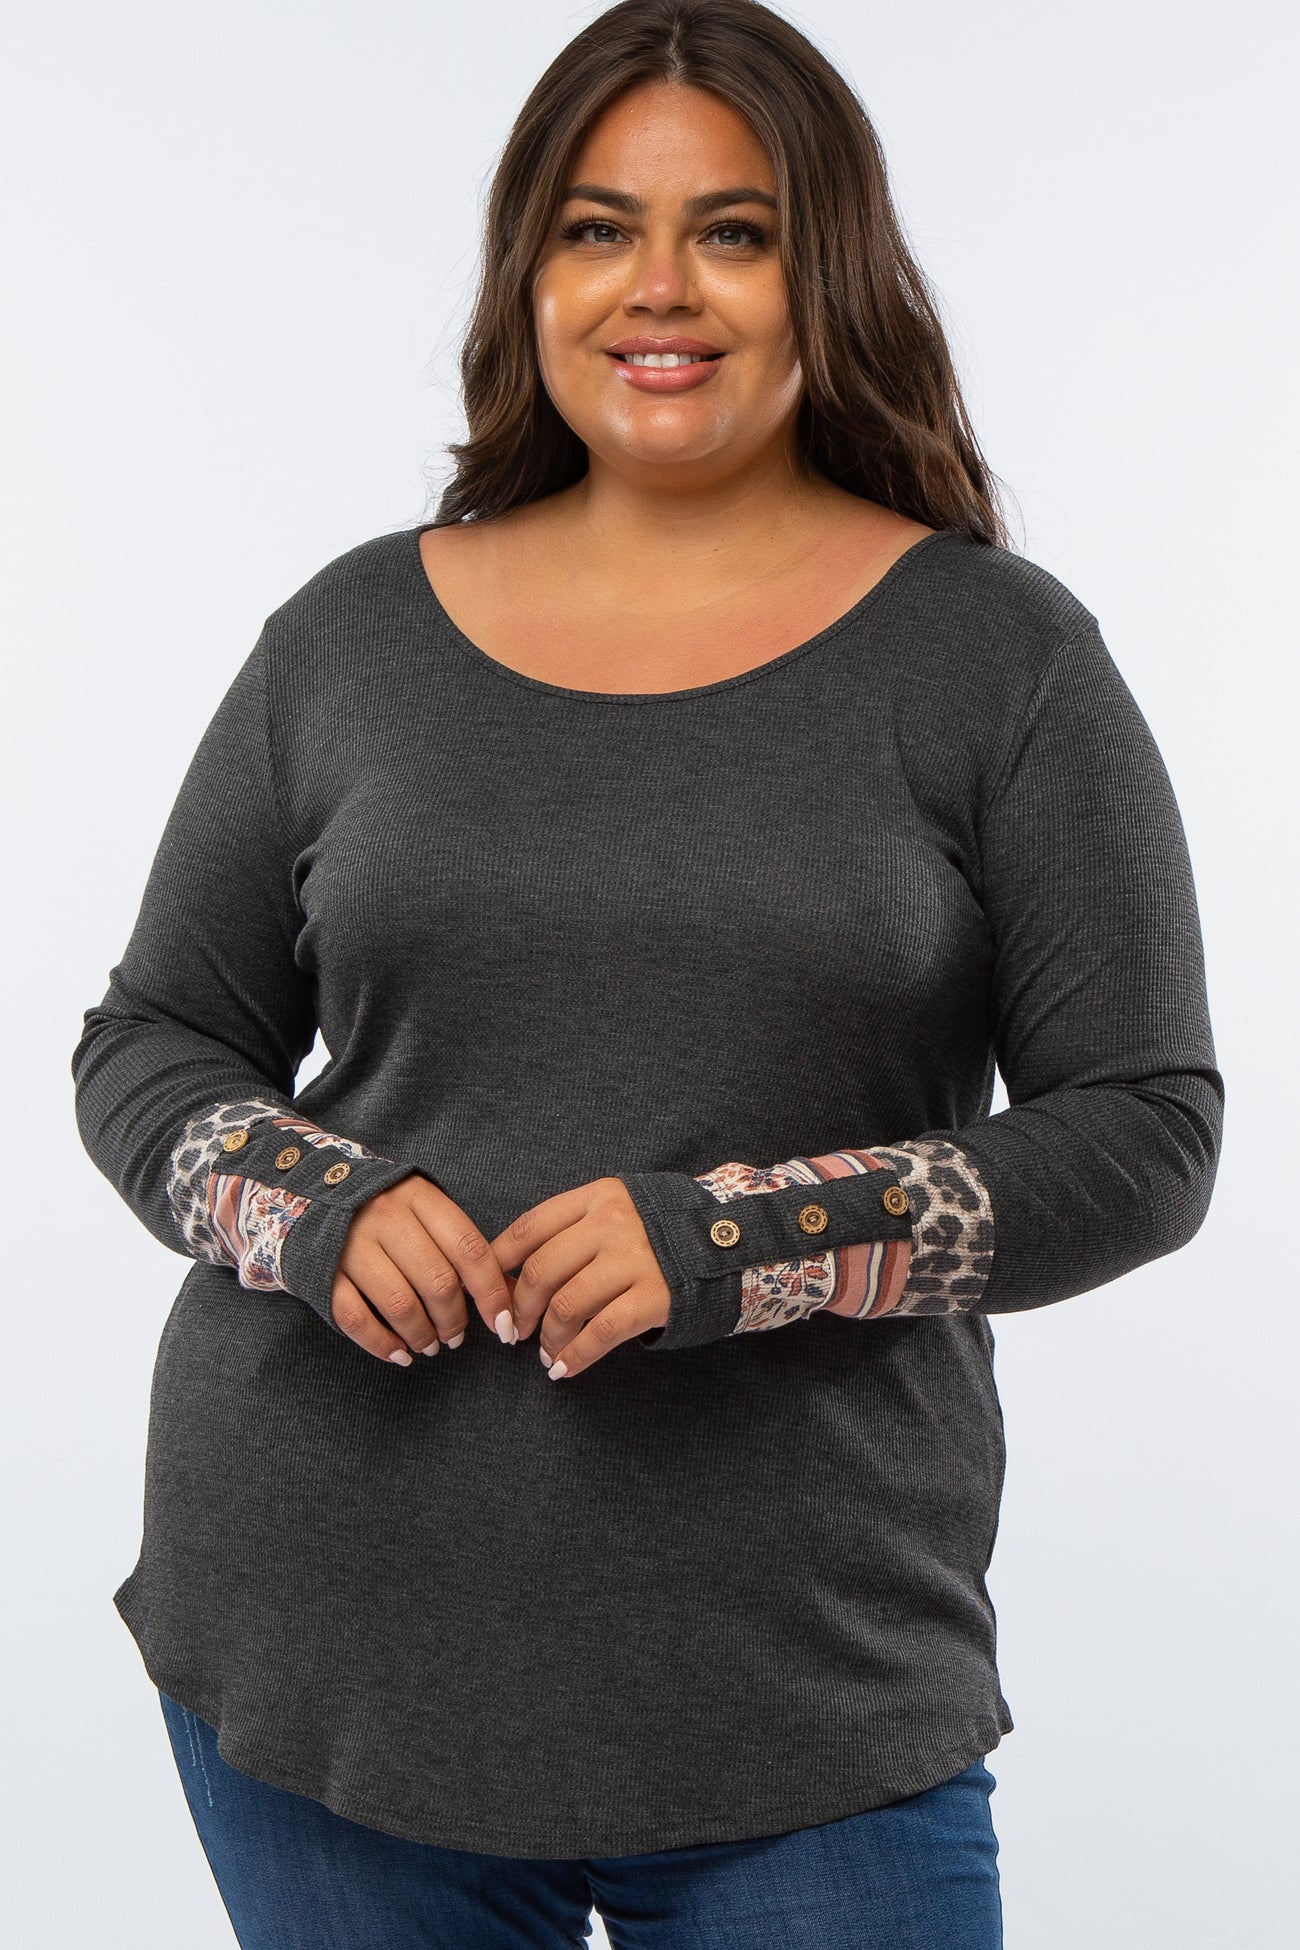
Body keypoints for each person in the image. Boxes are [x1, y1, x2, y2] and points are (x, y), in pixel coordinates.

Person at [71, 2, 1223, 1945]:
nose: (657, 289)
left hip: (801, 1684)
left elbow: (1144, 1132)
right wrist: (313, 1204)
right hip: (326, 1643)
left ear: (825, 272)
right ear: (529, 273)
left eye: (734, 232)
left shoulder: (997, 661)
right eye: (597, 228)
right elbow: (155, 1040)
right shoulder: (350, 637)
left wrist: (741, 1240)